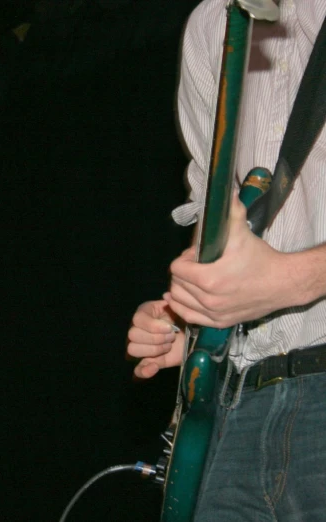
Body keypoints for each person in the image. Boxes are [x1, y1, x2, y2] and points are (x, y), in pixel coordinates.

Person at [127, 1, 326, 520]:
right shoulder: (211, 24)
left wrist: (295, 280)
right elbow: (217, 219)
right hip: (238, 403)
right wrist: (190, 313)